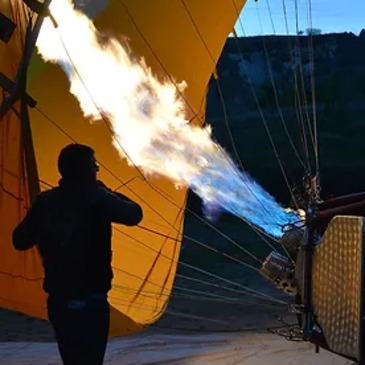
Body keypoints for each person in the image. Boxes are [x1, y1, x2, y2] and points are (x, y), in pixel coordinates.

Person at [12, 143, 143, 365]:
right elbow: (135, 214)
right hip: (92, 298)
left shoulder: (46, 202)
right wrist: (106, 192)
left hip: (60, 299)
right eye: (94, 166)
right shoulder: (99, 199)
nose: (97, 170)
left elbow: (20, 240)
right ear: (83, 170)